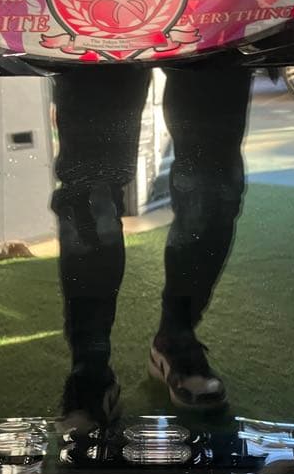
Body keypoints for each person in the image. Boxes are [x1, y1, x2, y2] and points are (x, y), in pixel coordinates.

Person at [52, 60, 251, 430]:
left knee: (213, 186)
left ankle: (175, 338)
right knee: (90, 194)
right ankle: (90, 369)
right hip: (95, 31)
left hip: (214, 27)